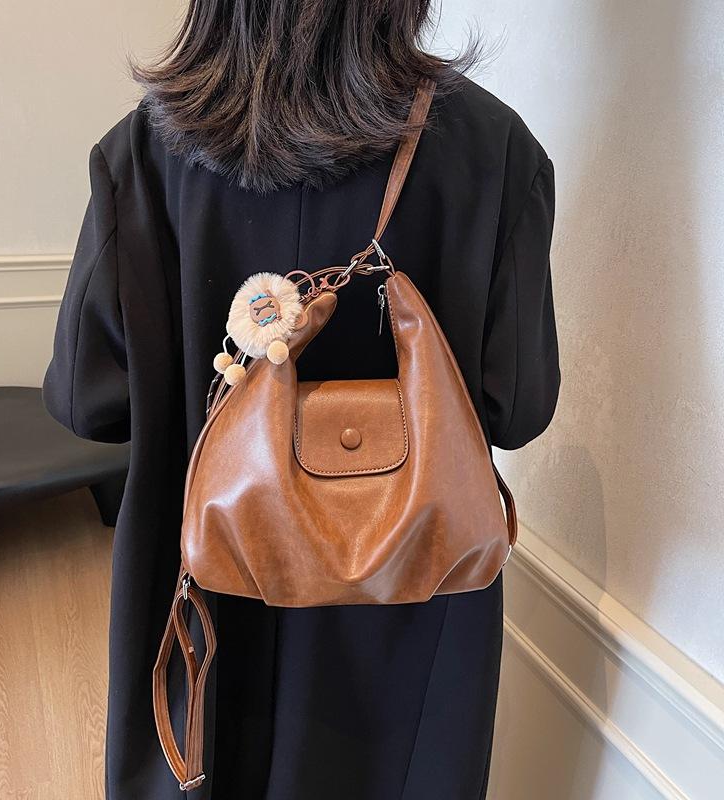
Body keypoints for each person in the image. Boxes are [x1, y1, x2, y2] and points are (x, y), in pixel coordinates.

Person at [42, 2, 560, 798]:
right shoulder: (495, 148)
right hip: (410, 607)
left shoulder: (144, 151)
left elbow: (89, 403)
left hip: (208, 601)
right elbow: (515, 409)